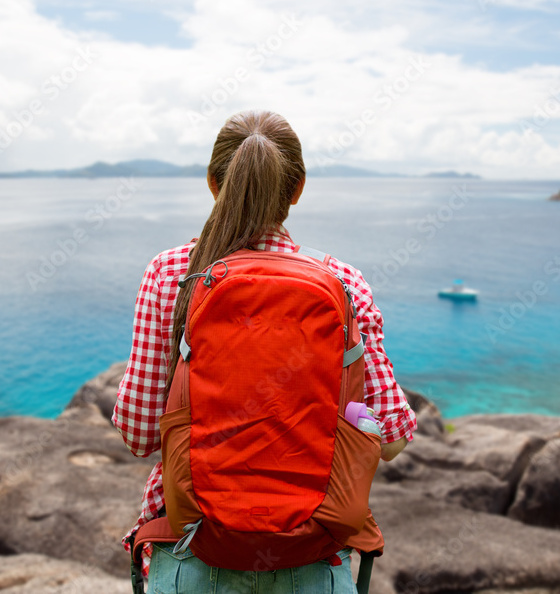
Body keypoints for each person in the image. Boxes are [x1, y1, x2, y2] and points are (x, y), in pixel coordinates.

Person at [113, 110, 417, 593]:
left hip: (193, 549)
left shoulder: (172, 273)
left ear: (215, 184)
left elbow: (138, 432)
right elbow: (394, 436)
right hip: (312, 555)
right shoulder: (342, 281)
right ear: (296, 190)